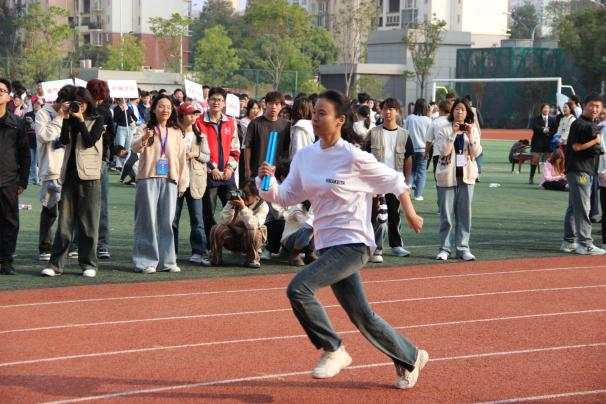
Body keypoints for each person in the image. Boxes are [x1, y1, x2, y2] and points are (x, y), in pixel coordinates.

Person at [257, 89, 427, 389]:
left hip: (354, 242)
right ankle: (411, 356)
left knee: (299, 288)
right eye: (314, 112)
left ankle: (333, 348)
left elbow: (395, 180)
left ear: (340, 120)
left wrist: (411, 214)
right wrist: (265, 181)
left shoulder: (352, 156)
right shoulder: (306, 157)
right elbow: (286, 197)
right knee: (362, 316)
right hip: (327, 245)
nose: (315, 118)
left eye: (322, 113)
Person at [41, 87, 104, 278]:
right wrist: (65, 117)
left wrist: (81, 120)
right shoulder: (68, 119)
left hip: (90, 176)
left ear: (89, 103)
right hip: (68, 175)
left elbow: (89, 142)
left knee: (88, 223)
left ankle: (88, 264)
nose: (79, 106)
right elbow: (63, 141)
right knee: (64, 222)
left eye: (82, 103)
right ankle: (55, 265)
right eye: (76, 103)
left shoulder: (98, 119)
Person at [131, 94, 188, 274]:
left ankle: (167, 262)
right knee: (146, 221)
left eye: (169, 107)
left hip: (170, 179)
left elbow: (181, 159)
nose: (165, 110)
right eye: (161, 106)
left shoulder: (176, 132)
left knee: (167, 222)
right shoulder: (144, 128)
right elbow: (134, 148)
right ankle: (145, 262)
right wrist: (144, 138)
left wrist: (182, 182)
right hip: (147, 178)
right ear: (154, 108)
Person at [434, 98, 482, 261]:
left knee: (464, 215)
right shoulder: (444, 130)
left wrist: (470, 135)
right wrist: (453, 134)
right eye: (456, 109)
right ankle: (445, 249)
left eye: (462, 109)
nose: (459, 112)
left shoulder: (472, 130)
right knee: (446, 216)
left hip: (466, 177)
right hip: (447, 177)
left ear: (467, 113)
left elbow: (476, 152)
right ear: (452, 111)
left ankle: (463, 248)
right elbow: (443, 152)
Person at [367, 98, 413, 262]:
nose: (388, 112)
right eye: (385, 108)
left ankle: (396, 245)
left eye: (391, 109)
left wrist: (406, 182)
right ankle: (374, 247)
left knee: (394, 214)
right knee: (376, 214)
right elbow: (365, 156)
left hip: (395, 181)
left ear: (397, 112)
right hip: (377, 181)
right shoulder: (373, 133)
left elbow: (408, 158)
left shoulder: (404, 134)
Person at [195, 87, 240, 248]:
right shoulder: (198, 122)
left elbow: (235, 149)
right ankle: (211, 247)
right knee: (208, 213)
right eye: (213, 99)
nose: (216, 102)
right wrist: (211, 168)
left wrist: (230, 168)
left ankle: (236, 244)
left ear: (224, 104)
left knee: (237, 207)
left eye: (220, 100)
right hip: (208, 175)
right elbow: (197, 150)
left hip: (228, 175)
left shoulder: (231, 122)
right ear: (208, 101)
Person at [560, 95, 606, 256]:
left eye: (598, 106)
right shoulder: (582, 124)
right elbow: (576, 147)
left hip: (580, 169)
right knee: (582, 207)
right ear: (584, 106)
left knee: (574, 206)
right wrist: (596, 141)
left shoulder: (587, 123)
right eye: (592, 105)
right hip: (580, 170)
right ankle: (585, 243)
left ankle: (569, 241)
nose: (595, 109)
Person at [35, 86, 74, 262]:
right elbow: (44, 136)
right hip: (51, 168)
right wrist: (59, 116)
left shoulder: (73, 115)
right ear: (62, 101)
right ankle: (45, 247)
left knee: (69, 211)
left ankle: (69, 246)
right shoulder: (43, 113)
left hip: (69, 168)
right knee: (49, 210)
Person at [172, 103, 211, 266]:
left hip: (195, 181)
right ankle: (171, 251)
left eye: (195, 114)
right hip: (177, 180)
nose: (193, 117)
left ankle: (198, 251)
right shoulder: (174, 133)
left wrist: (196, 154)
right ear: (181, 116)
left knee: (197, 219)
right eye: (190, 114)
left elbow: (207, 156)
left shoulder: (200, 135)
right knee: (173, 218)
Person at [0, 78, 30, 275]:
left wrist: (23, 180)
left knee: (10, 223)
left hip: (8, 180)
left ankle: (6, 261)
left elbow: (24, 153)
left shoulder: (17, 123)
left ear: (8, 96)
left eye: (1, 90)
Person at [209, 180, 268, 269]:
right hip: (233, 238)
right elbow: (224, 221)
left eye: (247, 194)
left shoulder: (263, 206)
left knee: (253, 232)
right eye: (242, 192)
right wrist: (230, 206)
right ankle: (215, 259)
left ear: (257, 196)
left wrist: (243, 208)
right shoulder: (235, 199)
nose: (243, 196)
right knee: (216, 228)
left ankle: (252, 260)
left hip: (251, 240)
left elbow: (252, 225)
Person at [87, 79, 114, 260]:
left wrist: (105, 138)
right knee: (81, 203)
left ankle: (102, 243)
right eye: (95, 97)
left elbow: (111, 135)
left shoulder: (105, 112)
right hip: (82, 159)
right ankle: (78, 242)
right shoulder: (81, 109)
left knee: (101, 204)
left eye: (101, 98)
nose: (98, 101)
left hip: (101, 160)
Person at [244, 91, 291, 179]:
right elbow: (248, 147)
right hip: (257, 171)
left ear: (281, 106)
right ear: (265, 105)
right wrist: (247, 168)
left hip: (277, 172)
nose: (273, 107)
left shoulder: (286, 125)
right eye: (271, 103)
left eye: (277, 104)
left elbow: (286, 150)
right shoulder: (255, 123)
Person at [405, 98, 432, 201]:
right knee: (421, 172)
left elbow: (404, 131)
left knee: (410, 171)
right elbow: (431, 137)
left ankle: (409, 186)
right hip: (423, 149)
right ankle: (418, 195)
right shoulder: (428, 120)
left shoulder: (410, 118)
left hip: (410, 149)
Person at [529, 104, 557, 184]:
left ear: (549, 110)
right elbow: (535, 127)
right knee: (535, 160)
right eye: (544, 108)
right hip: (537, 142)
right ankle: (531, 177)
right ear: (541, 109)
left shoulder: (553, 119)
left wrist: (549, 133)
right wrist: (543, 130)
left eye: (547, 108)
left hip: (548, 142)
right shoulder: (536, 118)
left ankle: (549, 178)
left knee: (549, 161)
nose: (546, 109)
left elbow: (555, 130)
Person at [425, 100, 452, 178]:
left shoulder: (435, 122)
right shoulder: (453, 121)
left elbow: (429, 140)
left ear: (440, 110)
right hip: (452, 154)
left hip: (438, 153)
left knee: (439, 179)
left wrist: (426, 153)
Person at [113, 98, 136, 170]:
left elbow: (134, 117)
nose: (124, 101)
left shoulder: (128, 107)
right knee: (120, 146)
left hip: (129, 128)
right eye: (122, 100)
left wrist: (134, 122)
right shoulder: (116, 108)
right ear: (118, 101)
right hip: (121, 128)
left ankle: (127, 163)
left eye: (125, 100)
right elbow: (115, 119)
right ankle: (119, 165)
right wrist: (121, 109)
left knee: (128, 146)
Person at [25, 98, 44, 185]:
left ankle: (40, 179)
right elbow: (23, 126)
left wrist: (32, 123)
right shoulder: (28, 114)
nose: (36, 105)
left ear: (42, 105)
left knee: (40, 161)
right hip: (30, 139)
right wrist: (28, 124)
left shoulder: (43, 115)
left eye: (38, 104)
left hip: (40, 140)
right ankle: (33, 179)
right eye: (35, 103)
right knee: (32, 161)